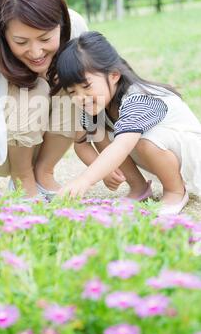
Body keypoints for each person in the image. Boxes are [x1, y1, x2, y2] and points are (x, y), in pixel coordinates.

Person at [0, 0, 88, 198]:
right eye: (21, 42)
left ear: (60, 24)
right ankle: (22, 178)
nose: (36, 52)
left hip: (51, 137)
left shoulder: (75, 25)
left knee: (75, 84)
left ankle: (44, 173)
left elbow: (98, 88)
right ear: (3, 34)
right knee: (33, 88)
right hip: (6, 147)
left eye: (45, 38)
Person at [54, 31, 201, 215]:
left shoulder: (138, 97)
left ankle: (175, 191)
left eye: (86, 86)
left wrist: (86, 179)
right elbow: (81, 144)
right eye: (72, 92)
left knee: (141, 140)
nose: (80, 97)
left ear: (114, 75)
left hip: (191, 154)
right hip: (159, 151)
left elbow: (123, 145)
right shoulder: (97, 106)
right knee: (100, 132)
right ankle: (139, 188)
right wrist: (104, 170)